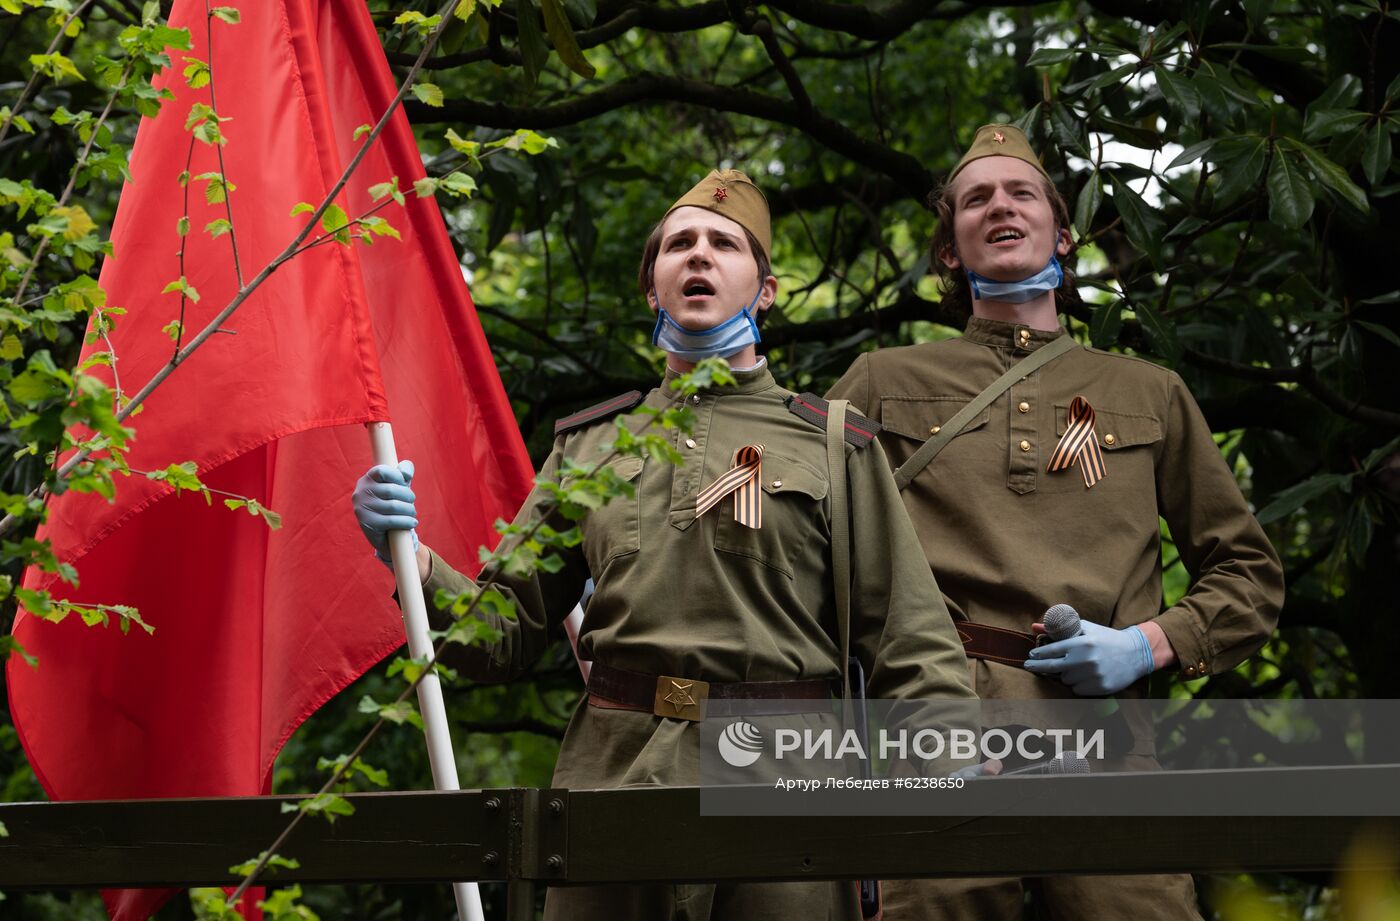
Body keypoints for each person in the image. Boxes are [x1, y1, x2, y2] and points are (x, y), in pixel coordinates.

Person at [353, 168, 977, 920]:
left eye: (724, 243)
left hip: (790, 788)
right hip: (612, 783)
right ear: (653, 289)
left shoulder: (835, 443)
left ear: (766, 289)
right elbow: (502, 632)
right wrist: (409, 555)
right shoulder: (590, 446)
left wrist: (924, 811)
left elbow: (913, 649)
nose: (699, 255)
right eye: (679, 244)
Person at [827, 125, 1285, 920]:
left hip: (1104, 732)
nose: (999, 205)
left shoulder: (1150, 391)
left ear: (1063, 236)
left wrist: (1146, 644)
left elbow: (1250, 574)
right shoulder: (881, 380)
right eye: (975, 199)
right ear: (948, 251)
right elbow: (799, 543)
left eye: (1020, 192)